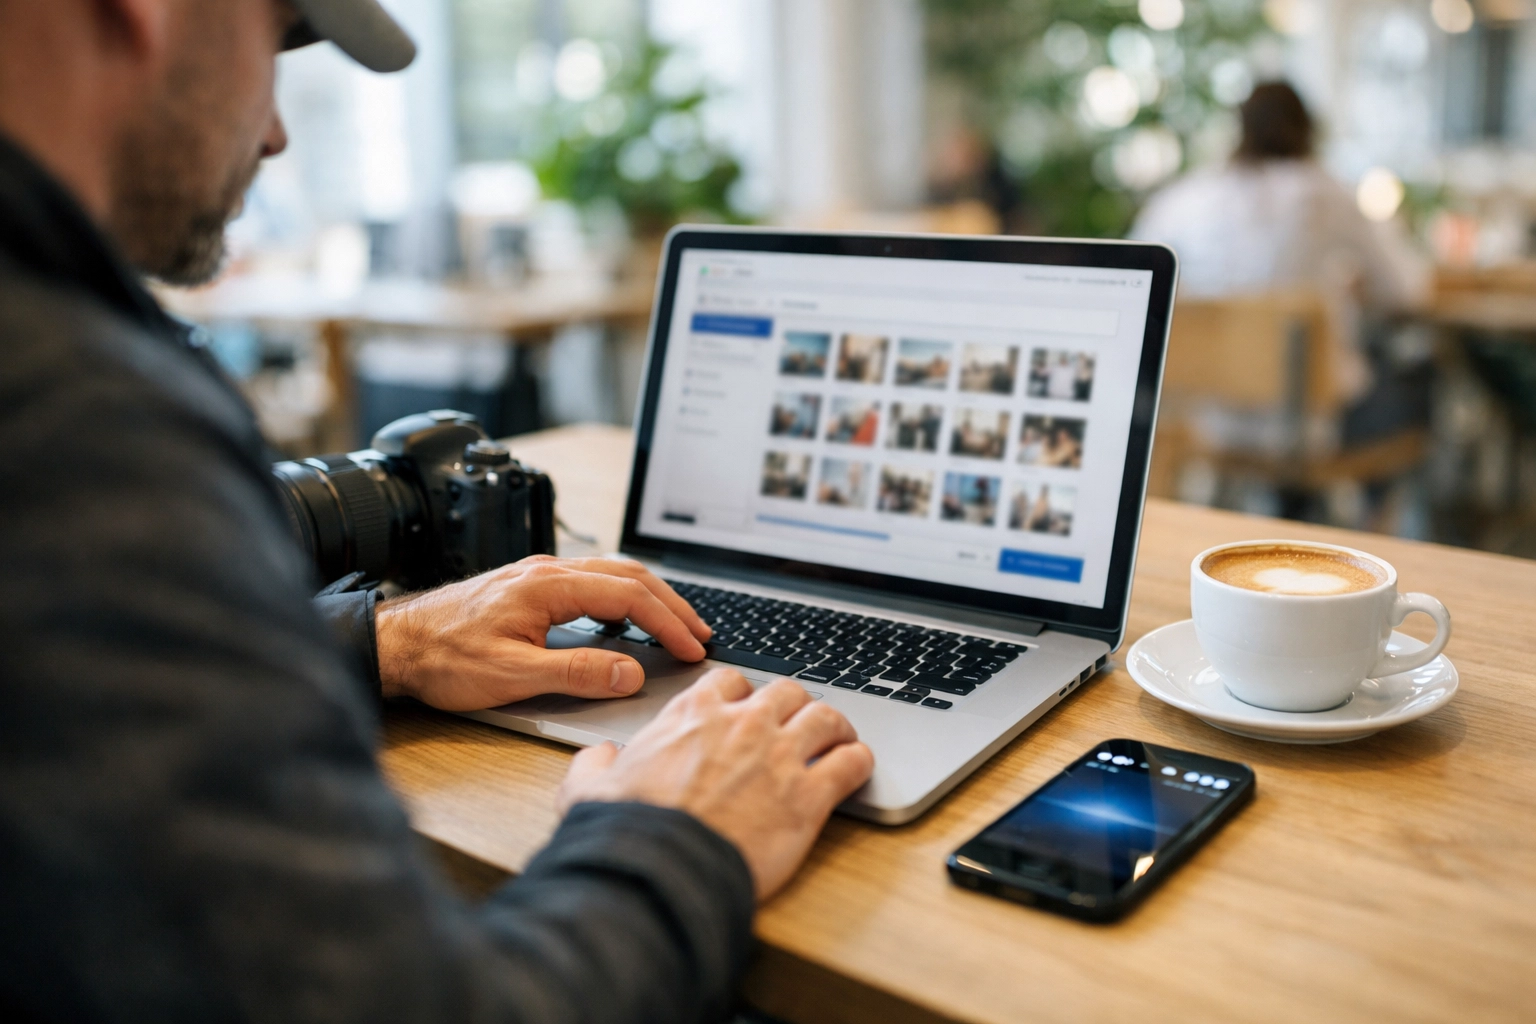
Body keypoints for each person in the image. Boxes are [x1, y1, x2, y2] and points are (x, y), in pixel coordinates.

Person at [0, 1, 874, 1021]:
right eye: (276, 38)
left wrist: (387, 643)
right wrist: (675, 834)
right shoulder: (71, 418)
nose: (276, 128)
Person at [1130, 81, 1429, 402]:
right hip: (1303, 420)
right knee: (1415, 376)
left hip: (1199, 416)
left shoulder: (1186, 196)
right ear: (1308, 129)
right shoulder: (1324, 194)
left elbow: (1135, 278)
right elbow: (1407, 290)